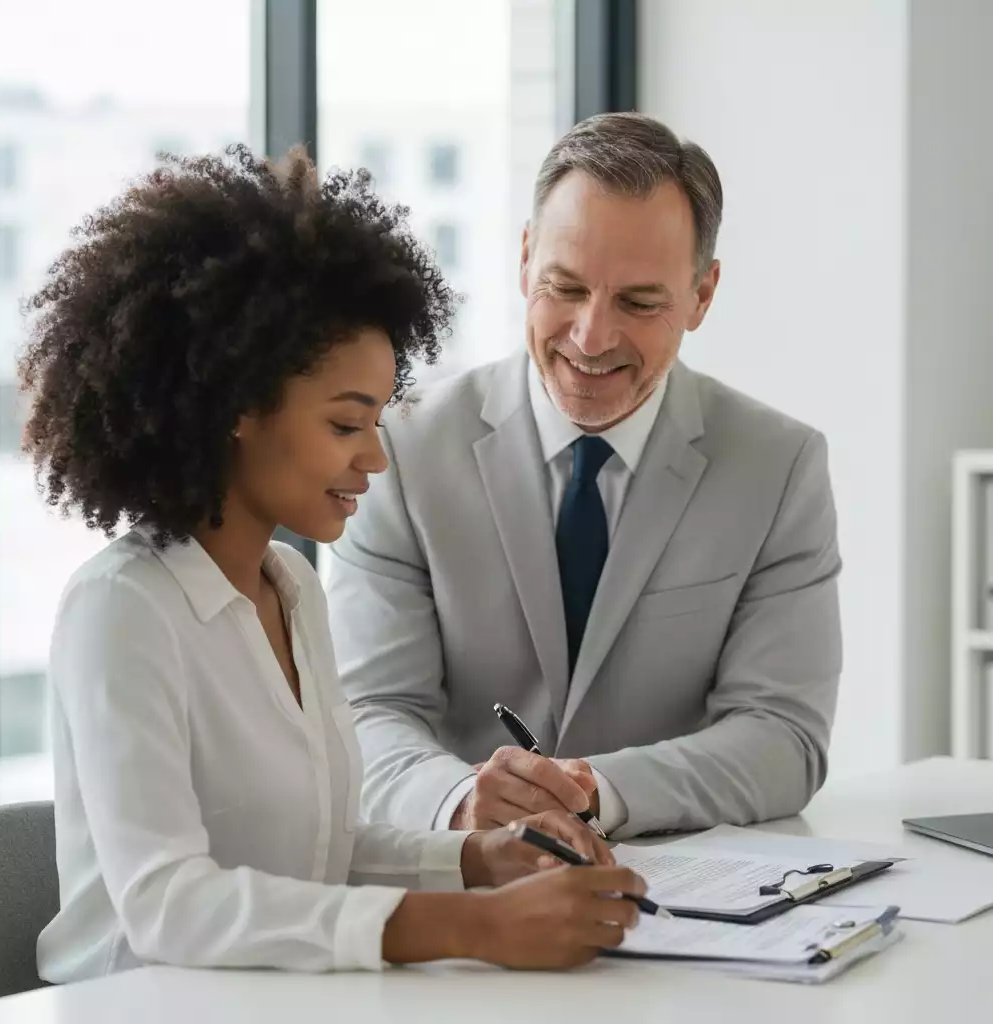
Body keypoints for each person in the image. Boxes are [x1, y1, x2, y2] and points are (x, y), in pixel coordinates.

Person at [21, 145, 647, 983]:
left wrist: (476, 860)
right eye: (346, 425)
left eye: (380, 422)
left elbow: (316, 853)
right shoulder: (122, 610)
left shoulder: (294, 587)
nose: (376, 461)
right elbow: (168, 903)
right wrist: (472, 925)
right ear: (238, 407)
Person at [326, 112, 842, 841]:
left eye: (638, 302)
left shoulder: (779, 467)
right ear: (525, 258)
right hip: (458, 890)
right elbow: (366, 710)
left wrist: (595, 790)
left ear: (702, 295)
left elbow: (784, 737)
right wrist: (461, 802)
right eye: (564, 288)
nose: (591, 337)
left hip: (681, 893)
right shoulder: (402, 450)